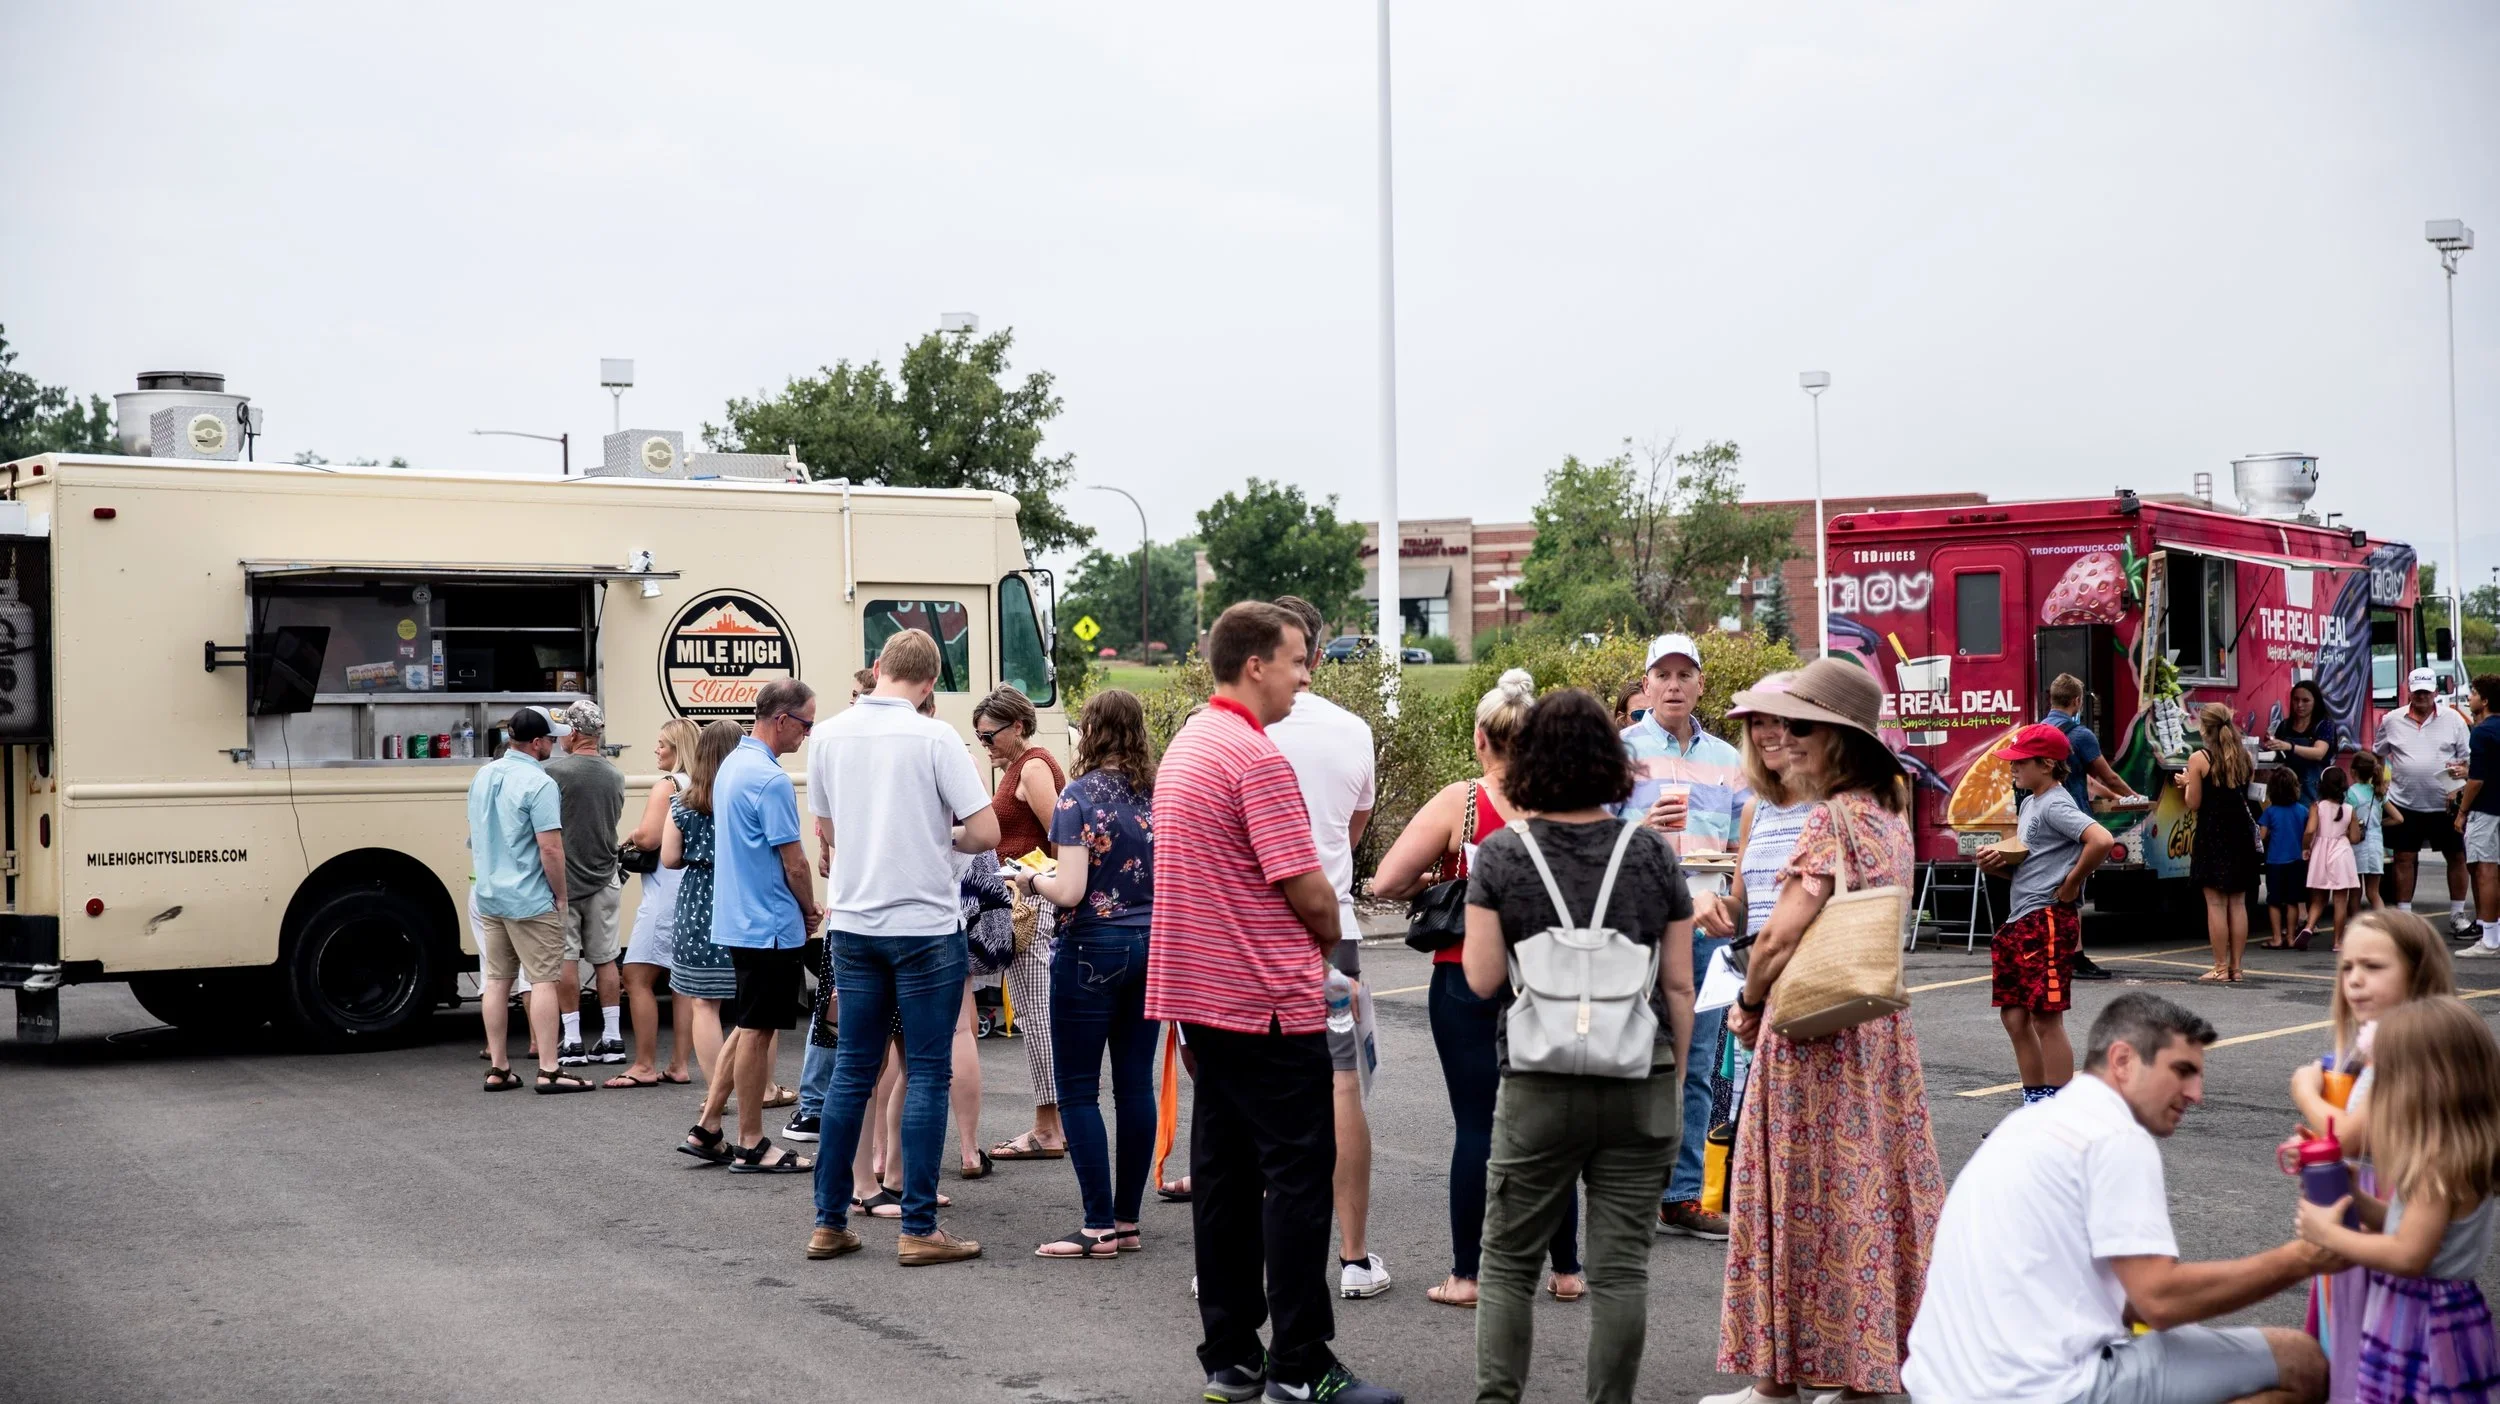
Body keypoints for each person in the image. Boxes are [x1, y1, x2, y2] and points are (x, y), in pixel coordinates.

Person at [1145, 601, 1402, 1404]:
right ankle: (1301, 1363)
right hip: (1266, 997)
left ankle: (1231, 1356)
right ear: (1255, 664)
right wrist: (1333, 955)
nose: (1305, 674)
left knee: (1222, 1177)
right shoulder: (1256, 759)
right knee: (1297, 1176)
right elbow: (1310, 891)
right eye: (1296, 659)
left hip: (1202, 998)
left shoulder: (1190, 743)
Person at [1901, 992, 2334, 1404]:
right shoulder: (2115, 1135)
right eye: (2182, 1071)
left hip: (1943, 1386)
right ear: (2123, 1060)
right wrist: (2303, 1258)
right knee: (2301, 1361)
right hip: (2042, 1391)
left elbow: (2127, 1299)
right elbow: (2159, 1301)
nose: (2197, 1095)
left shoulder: (2027, 1124)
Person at [1708, 657, 1946, 1404]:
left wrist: (1748, 999)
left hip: (1813, 1034)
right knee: (1863, 1194)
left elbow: (1779, 938)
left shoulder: (1829, 819)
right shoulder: (1890, 814)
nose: (1787, 738)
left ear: (1842, 740)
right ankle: (1864, 1372)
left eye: (1804, 726)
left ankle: (1778, 1382)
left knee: (1793, 1194)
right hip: (1873, 1032)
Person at [1463, 687, 1696, 1404]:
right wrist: (1674, 1079)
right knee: (1621, 1270)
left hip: (1539, 1081)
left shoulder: (1503, 855)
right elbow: (1681, 988)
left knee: (1505, 1264)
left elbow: (1482, 979)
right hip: (1639, 1077)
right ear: (1612, 761)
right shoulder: (1653, 853)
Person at [1374, 669, 1587, 1310]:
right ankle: (1569, 1269)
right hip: (1550, 975)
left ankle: (1468, 1276)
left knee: (1476, 1126)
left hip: (1465, 970)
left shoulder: (1462, 802)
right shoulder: (1568, 804)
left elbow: (1386, 881)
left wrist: (1439, 880)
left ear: (1480, 740)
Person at [804, 628, 998, 1267]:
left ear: (880, 667)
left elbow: (827, 830)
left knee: (853, 1072)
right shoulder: (936, 737)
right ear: (930, 684)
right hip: (924, 925)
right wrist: (945, 841)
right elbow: (985, 829)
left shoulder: (828, 733)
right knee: (928, 1071)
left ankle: (829, 1222)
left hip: (855, 923)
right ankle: (918, 1226)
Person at [1265, 595, 1389, 1301]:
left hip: (1252, 935)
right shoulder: (1352, 730)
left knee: (1247, 1091)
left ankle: (1236, 1252)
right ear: (1317, 656)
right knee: (1342, 1085)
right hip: (1333, 933)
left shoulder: (1233, 730)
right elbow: (1351, 828)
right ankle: (1355, 1256)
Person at [2292, 995, 2500, 1404]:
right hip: (2436, 1309)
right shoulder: (2451, 1150)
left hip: (2420, 1315)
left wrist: (2327, 1235)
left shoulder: (2437, 1164)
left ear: (2426, 1084)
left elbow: (2409, 1255)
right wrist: (2357, 1197)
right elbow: (2421, 1231)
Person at [2285, 908, 2456, 1400]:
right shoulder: (2374, 1046)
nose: (2355, 980)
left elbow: (2352, 1135)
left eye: (2374, 967)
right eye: (2347, 967)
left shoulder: (2406, 1051)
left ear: (2418, 973)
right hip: (2372, 1200)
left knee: (2364, 1349)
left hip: (2390, 1209)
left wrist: (2304, 1090)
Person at [1013, 688, 1159, 1260]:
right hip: (1151, 945)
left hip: (1092, 948)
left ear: (1092, 732)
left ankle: (1096, 1224)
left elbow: (1070, 888)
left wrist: (1031, 881)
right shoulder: (1157, 793)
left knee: (1077, 1088)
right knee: (1134, 1086)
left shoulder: (1078, 797)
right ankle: (1126, 1220)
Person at [1617, 631, 1748, 1240]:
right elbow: (1588, 836)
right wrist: (1640, 825)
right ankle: (1626, 1189)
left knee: (1696, 1062)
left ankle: (1683, 1193)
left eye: (1684, 675)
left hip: (1705, 921)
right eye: (1662, 675)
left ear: (1700, 684)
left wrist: (1730, 888)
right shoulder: (1617, 752)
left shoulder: (1728, 758)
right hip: (1636, 919)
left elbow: (1744, 843)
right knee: (1628, 1056)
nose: (1673, 685)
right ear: (1645, 684)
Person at [699, 680, 822, 1175]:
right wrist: (810, 909)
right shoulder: (770, 780)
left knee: (747, 1025)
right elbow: (794, 863)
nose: (807, 735)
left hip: (738, 917)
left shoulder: (733, 764)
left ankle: (709, 1125)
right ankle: (751, 1142)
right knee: (756, 1032)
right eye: (806, 724)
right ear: (781, 719)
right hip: (768, 921)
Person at [1697, 670, 1817, 1129]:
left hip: (1811, 992)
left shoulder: (1832, 804)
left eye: (1780, 721)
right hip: (1757, 996)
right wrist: (1710, 900)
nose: (1768, 734)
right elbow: (1744, 909)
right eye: (1756, 723)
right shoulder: (1755, 808)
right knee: (1757, 1135)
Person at [1976, 723, 2115, 1103]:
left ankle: (2060, 1118)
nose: (2013, 768)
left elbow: (2101, 839)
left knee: (2045, 1019)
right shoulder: (2030, 803)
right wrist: (1998, 867)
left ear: (2048, 764)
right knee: (2015, 1017)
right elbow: (2034, 863)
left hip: (2046, 919)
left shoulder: (2055, 802)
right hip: (2021, 918)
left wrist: (2071, 885)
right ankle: (2036, 1109)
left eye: (2020, 762)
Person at [469, 706, 591, 1094]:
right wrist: (561, 895)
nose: (554, 746)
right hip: (529, 896)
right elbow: (550, 849)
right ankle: (550, 1069)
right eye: (552, 740)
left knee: (496, 980)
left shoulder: (484, 775)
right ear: (537, 743)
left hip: (490, 894)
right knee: (543, 980)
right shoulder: (540, 784)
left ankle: (500, 1067)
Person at [976, 684, 1070, 1164]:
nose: (985, 745)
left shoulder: (1032, 766)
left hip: (1034, 902)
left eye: (991, 736)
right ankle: (1053, 1122)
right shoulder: (1021, 764)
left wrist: (1033, 877)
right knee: (1037, 1012)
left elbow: (1061, 835)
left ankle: (1047, 1127)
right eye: (980, 737)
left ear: (1017, 726)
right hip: (1027, 898)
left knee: (1037, 1014)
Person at [616, 717, 701, 1088]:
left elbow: (649, 838)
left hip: (664, 892)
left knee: (635, 975)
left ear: (677, 749)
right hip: (692, 891)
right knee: (682, 982)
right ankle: (679, 1064)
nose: (656, 749)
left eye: (662, 744)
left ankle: (645, 1064)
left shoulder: (667, 785)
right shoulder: (702, 785)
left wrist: (631, 834)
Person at [542, 699, 627, 1068]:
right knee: (607, 958)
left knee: (567, 959)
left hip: (566, 881)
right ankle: (612, 1038)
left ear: (574, 734)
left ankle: (573, 1040)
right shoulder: (615, 775)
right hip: (605, 876)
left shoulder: (555, 774)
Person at [666, 722, 740, 1120]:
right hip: (740, 898)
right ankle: (757, 1085)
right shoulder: (744, 796)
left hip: (697, 902)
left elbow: (669, 858)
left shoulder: (682, 801)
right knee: (751, 1006)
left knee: (704, 1004)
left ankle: (716, 1092)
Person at [2043, 672, 2136, 982]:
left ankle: (2053, 952)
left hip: (2043, 818)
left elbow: (2083, 775)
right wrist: (2133, 797)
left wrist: (2109, 794)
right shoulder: (2081, 735)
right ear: (2077, 701)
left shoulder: (2040, 731)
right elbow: (2107, 775)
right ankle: (2074, 956)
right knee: (2073, 888)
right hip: (2072, 820)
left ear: (2052, 698)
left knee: (2051, 886)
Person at [2377, 667, 2473, 937]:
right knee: (2404, 857)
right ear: (2409, 691)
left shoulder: (2453, 719)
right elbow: (2378, 753)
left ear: (2436, 692)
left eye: (2426, 691)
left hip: (2445, 803)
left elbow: (2468, 758)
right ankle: (2405, 916)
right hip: (2405, 802)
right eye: (2417, 691)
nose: (2421, 696)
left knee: (2456, 856)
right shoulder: (2392, 720)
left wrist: (2459, 785)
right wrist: (2380, 781)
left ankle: (2457, 914)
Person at [2177, 703, 2259, 983]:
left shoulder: (2199, 758)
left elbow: (2194, 802)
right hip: (2240, 834)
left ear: (2204, 728)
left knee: (2215, 903)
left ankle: (2220, 967)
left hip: (2212, 833)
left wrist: (2188, 782)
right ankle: (2237, 968)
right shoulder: (2244, 756)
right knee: (2238, 902)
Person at [2457, 674, 2500, 957]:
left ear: (2484, 701)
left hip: (2485, 810)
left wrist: (2462, 811)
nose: (2468, 698)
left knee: (2485, 872)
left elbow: (2477, 781)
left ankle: (2490, 939)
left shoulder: (2481, 732)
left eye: (2472, 693)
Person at [2302, 768, 2362, 951]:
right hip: (2341, 853)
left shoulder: (2316, 806)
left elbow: (2310, 830)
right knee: (2340, 901)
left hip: (2321, 853)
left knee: (2318, 898)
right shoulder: (2349, 809)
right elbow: (2354, 838)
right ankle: (2337, 941)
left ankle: (2308, 927)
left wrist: (2305, 846)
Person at [2268, 679, 2350, 804]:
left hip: (2314, 791)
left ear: (2315, 702)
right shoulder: (2284, 725)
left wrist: (2290, 747)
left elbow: (2319, 752)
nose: (2299, 705)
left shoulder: (2324, 724)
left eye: (2305, 700)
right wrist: (2271, 745)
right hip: (2286, 789)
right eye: (2296, 700)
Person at [2259, 770, 2312, 956]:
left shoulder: (2270, 812)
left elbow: (2262, 836)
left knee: (2274, 901)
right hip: (2297, 860)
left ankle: (2276, 937)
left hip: (2275, 861)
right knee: (2292, 901)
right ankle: (2290, 937)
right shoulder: (2302, 810)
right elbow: (2308, 833)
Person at [2348, 751, 2388, 913]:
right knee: (2373, 893)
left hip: (2357, 845)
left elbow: (2347, 818)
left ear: (2353, 771)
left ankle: (2356, 929)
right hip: (2376, 845)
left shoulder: (2351, 793)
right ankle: (2386, 927)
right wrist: (2379, 823)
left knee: (2355, 892)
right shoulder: (2378, 792)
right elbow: (2398, 818)